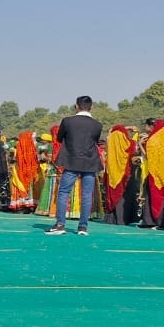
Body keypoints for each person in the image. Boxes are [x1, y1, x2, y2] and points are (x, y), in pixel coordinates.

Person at [45, 96, 104, 236]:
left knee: (64, 192)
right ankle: (83, 227)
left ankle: (60, 225)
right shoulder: (97, 125)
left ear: (76, 106)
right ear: (91, 107)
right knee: (87, 195)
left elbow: (59, 138)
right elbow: (95, 141)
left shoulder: (67, 121)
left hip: (71, 161)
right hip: (90, 162)